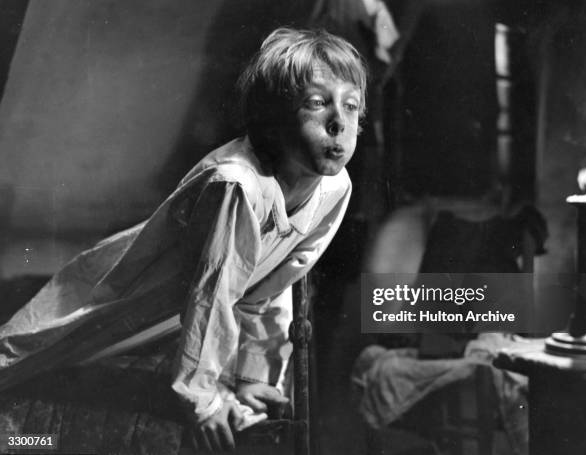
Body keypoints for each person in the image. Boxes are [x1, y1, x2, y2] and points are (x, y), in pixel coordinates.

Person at [0, 28, 367, 453]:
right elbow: (212, 296)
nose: (339, 122)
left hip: (174, 315)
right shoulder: (238, 185)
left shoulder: (334, 187)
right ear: (275, 117)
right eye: (318, 103)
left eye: (351, 105)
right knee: (26, 352)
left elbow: (272, 286)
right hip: (127, 293)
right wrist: (201, 400)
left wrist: (250, 373)